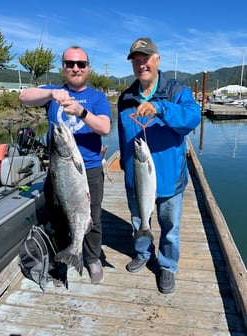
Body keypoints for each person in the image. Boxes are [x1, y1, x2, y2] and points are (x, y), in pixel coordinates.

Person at [19, 45, 111, 285]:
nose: (75, 68)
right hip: (59, 170)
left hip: (88, 169)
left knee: (93, 218)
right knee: (59, 216)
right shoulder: (54, 92)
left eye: (81, 64)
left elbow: (105, 128)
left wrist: (81, 111)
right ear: (63, 67)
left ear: (88, 68)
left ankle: (91, 258)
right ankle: (62, 261)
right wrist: (50, 95)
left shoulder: (97, 98)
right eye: (70, 63)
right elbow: (23, 97)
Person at [117, 37, 200, 294]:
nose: (142, 65)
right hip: (137, 175)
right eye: (136, 61)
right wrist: (124, 164)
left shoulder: (176, 91)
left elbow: (192, 118)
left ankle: (167, 265)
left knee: (170, 227)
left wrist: (161, 108)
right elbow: (122, 133)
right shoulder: (126, 97)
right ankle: (143, 252)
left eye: (146, 59)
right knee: (138, 219)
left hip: (169, 177)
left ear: (157, 59)